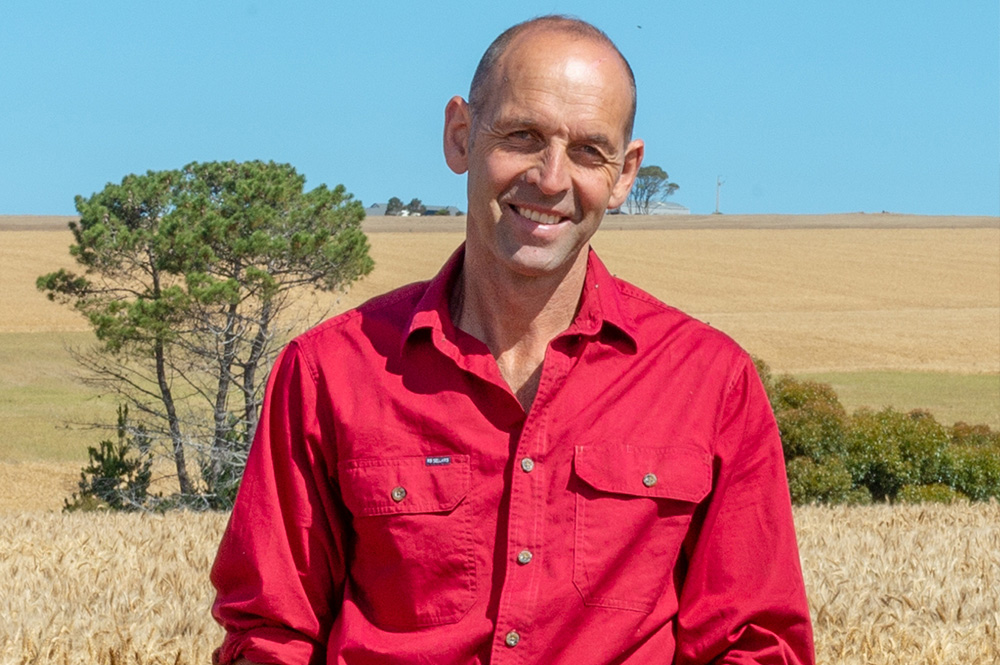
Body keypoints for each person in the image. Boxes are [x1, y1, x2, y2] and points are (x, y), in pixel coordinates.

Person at [211, 15, 815, 665]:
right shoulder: (329, 373)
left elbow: (754, 644)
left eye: (588, 150)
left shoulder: (707, 381)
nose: (551, 178)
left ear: (625, 172)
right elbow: (270, 633)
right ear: (460, 135)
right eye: (524, 136)